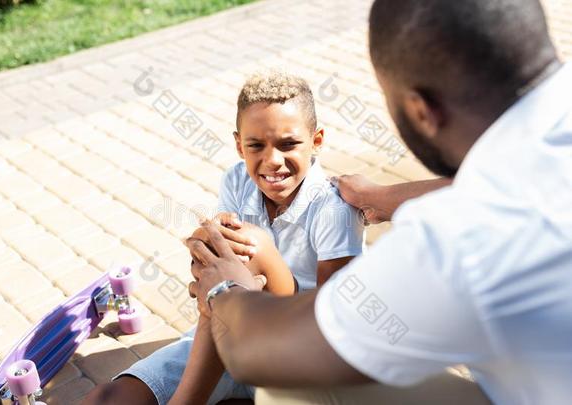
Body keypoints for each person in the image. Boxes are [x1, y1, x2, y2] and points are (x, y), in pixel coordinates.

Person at [185, 0, 572, 404]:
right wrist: (385, 197)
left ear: (421, 111)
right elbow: (505, 178)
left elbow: (263, 354)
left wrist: (225, 288)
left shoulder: (458, 239)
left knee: (294, 384)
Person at [82, 71, 366, 405]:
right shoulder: (237, 179)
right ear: (238, 145)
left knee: (249, 249)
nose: (273, 160)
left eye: (288, 144)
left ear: (316, 140)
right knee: (108, 397)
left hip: (298, 350)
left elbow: (329, 318)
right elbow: (221, 264)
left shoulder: (333, 208)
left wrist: (225, 282)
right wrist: (203, 255)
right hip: (230, 335)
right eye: (255, 146)